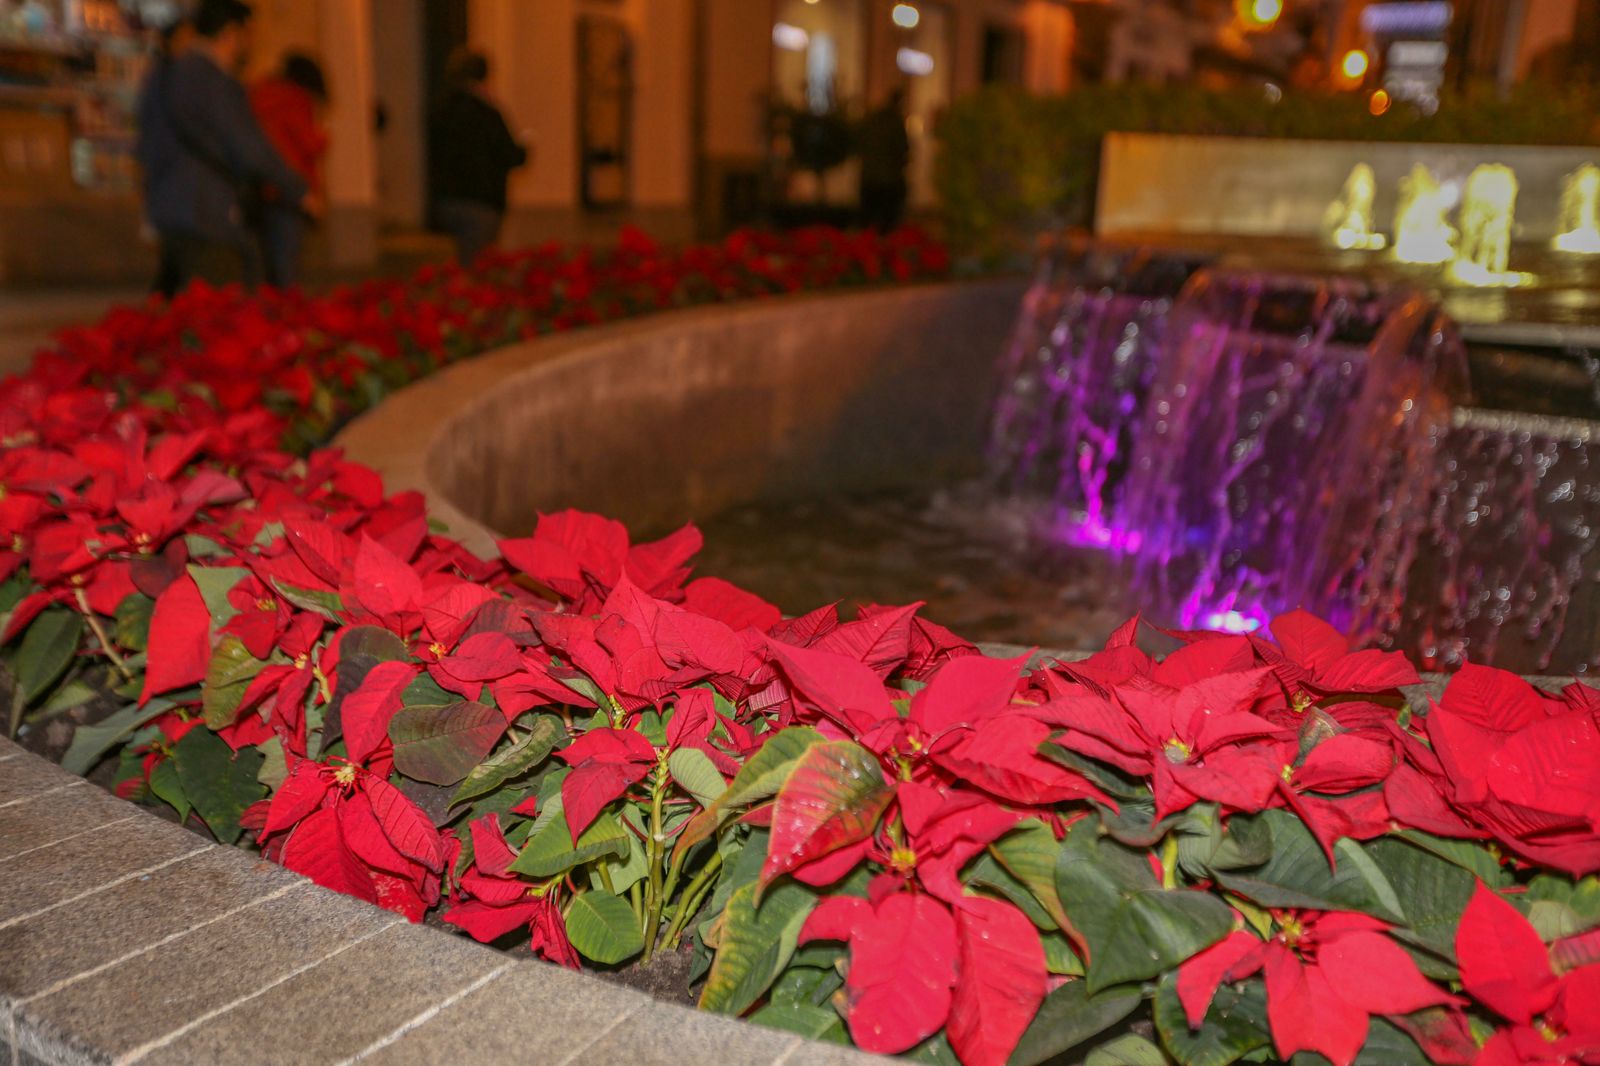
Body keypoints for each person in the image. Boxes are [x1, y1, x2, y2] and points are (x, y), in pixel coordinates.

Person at [135, 0, 315, 294]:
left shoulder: (164, 74)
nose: (251, 43)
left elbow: (147, 143)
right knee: (219, 307)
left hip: (169, 209)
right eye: (249, 33)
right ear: (231, 33)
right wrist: (298, 188)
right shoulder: (214, 80)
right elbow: (250, 147)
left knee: (185, 308)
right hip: (208, 213)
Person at [428, 48, 527, 265]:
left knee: (464, 258)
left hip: (448, 199)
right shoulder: (486, 113)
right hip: (481, 200)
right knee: (478, 264)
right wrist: (523, 150)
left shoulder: (441, 109)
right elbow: (508, 154)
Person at [250, 52, 329, 288]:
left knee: (266, 262)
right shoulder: (296, 99)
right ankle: (285, 307)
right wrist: (325, 135)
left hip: (260, 186)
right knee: (286, 262)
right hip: (291, 187)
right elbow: (309, 143)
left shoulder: (257, 93)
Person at [135, 16, 195, 296]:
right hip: (169, 173)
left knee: (176, 256)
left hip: (175, 175)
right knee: (174, 253)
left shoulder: (177, 75)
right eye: (185, 38)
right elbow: (154, 131)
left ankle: (163, 305)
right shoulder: (164, 77)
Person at [857, 88, 910, 231]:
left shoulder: (873, 119)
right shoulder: (894, 122)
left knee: (868, 222)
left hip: (870, 178)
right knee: (888, 223)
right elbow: (902, 149)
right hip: (889, 180)